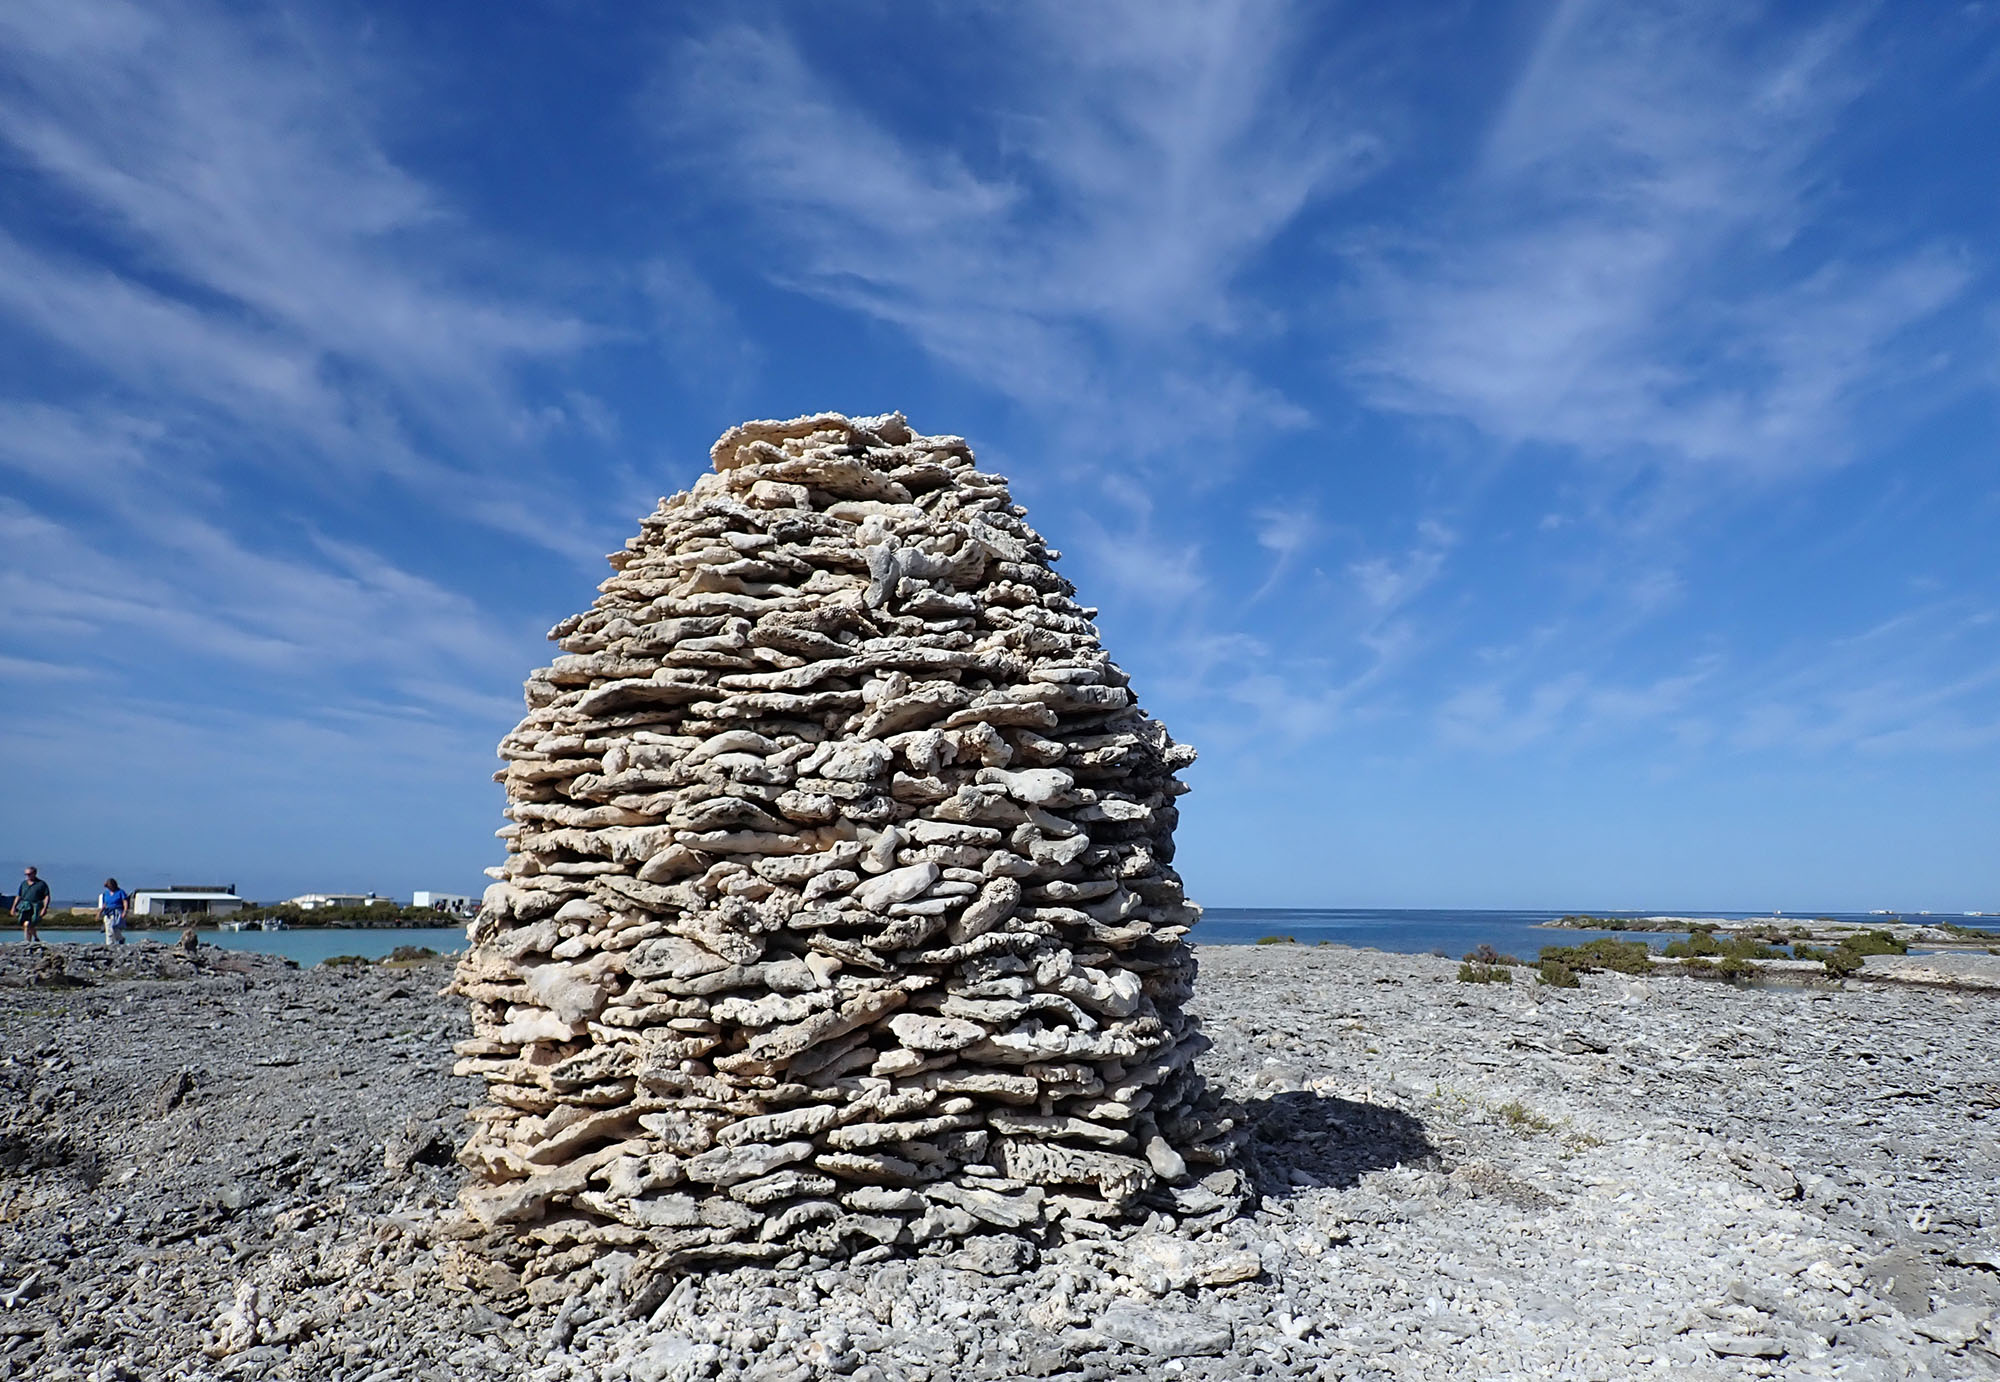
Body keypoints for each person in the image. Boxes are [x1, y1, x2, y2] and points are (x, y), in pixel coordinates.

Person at [13, 865, 50, 944]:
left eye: (29, 874)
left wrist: (44, 908)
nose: (28, 876)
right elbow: (19, 895)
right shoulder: (23, 884)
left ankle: (31, 940)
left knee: (31, 923)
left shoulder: (41, 884)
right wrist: (13, 907)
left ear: (34, 873)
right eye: (26, 874)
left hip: (36, 905)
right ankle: (29, 940)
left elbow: (47, 896)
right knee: (26, 923)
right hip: (25, 905)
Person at [99, 877, 131, 945]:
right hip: (108, 912)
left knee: (114, 927)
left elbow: (125, 902)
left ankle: (120, 938)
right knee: (108, 928)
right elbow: (105, 904)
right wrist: (100, 912)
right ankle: (109, 943)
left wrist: (125, 911)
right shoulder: (106, 893)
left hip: (117, 911)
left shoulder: (120, 892)